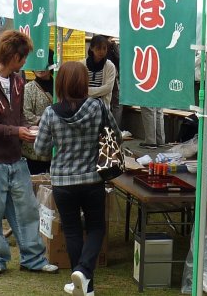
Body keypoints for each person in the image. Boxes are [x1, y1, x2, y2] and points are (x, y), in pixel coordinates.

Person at [0, 30, 57, 278]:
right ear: (15, 57)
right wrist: (17, 131)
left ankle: (33, 258)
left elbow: (18, 117)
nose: (26, 62)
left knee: (27, 209)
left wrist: (27, 129)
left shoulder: (19, 81)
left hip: (15, 157)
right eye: (24, 57)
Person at [34, 61, 120, 296]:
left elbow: (40, 149)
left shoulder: (51, 112)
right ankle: (84, 276)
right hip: (93, 179)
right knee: (96, 227)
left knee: (71, 230)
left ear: (59, 83)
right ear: (84, 82)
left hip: (62, 181)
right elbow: (117, 136)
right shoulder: (97, 107)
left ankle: (82, 281)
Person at [22, 49, 54, 175]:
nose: (40, 68)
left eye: (44, 63)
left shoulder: (59, 85)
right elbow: (26, 114)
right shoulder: (28, 89)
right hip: (35, 144)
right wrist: (47, 121)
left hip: (56, 142)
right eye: (37, 63)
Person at [82, 34, 116, 108]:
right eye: (98, 48)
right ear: (91, 48)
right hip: (83, 106)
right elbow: (79, 87)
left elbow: (108, 88)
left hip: (102, 107)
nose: (102, 51)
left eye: (104, 48)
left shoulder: (110, 66)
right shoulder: (82, 64)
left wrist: (86, 92)